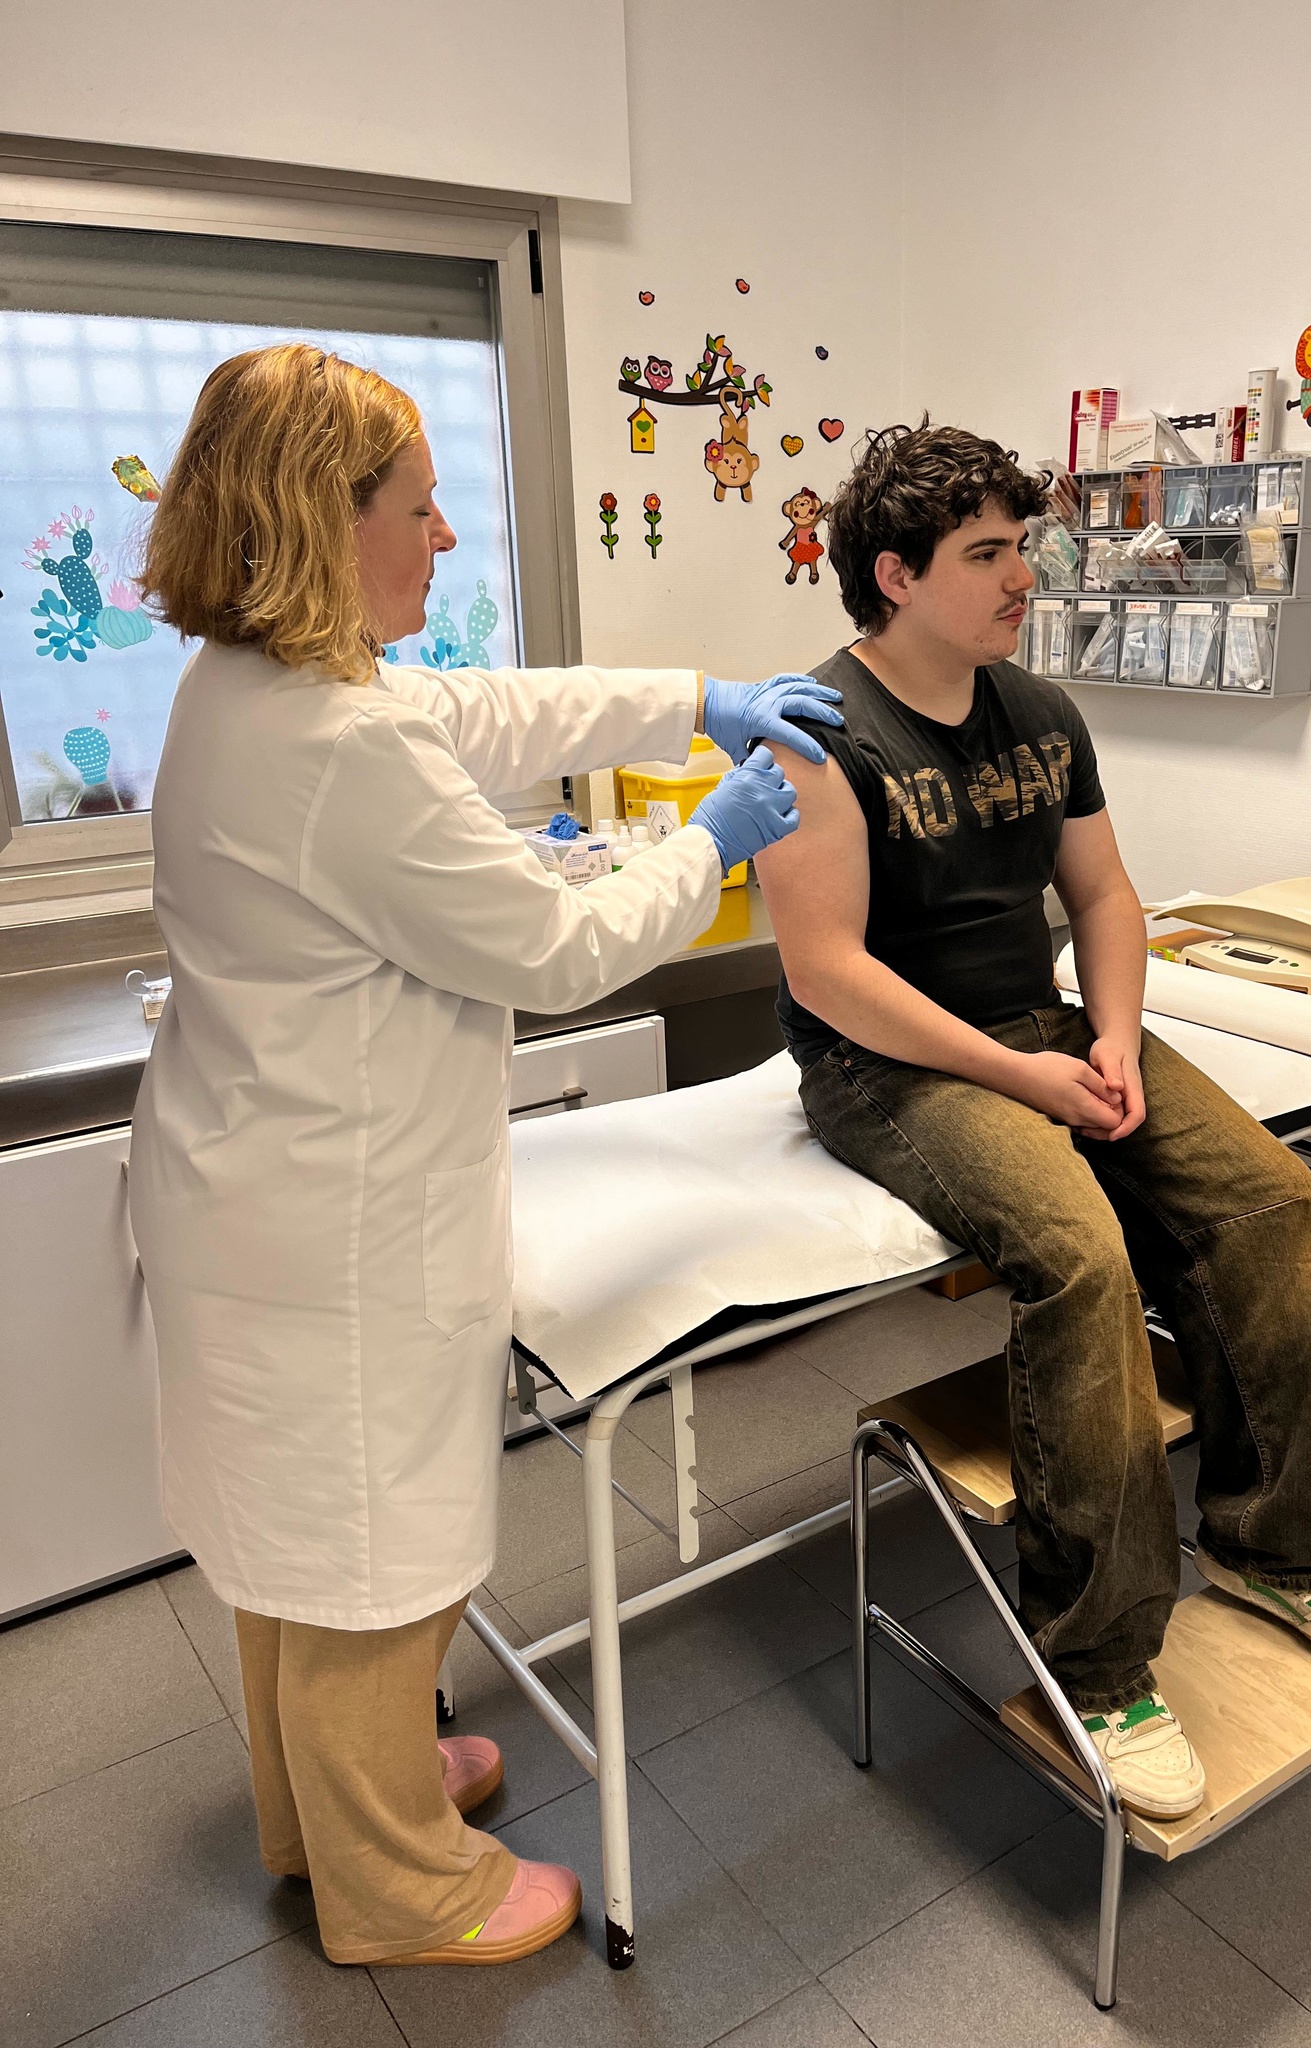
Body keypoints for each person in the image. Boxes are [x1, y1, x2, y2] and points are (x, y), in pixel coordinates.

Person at [128, 342, 841, 1967]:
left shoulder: (251, 684)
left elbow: (499, 709)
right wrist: (710, 839)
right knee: (377, 1562)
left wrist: (697, 697)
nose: (443, 537)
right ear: (321, 521)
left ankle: (324, 1808)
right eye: (419, 507)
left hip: (253, 1185)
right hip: (338, 1229)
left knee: (295, 1548)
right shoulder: (340, 746)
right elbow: (558, 948)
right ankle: (400, 1888)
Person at [754, 421, 1311, 1821]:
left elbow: (1107, 897)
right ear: (897, 575)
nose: (1024, 578)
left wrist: (1111, 1035)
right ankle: (1101, 1663)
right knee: (1082, 1257)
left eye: (1025, 548)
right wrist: (1028, 1083)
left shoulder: (1040, 712)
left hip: (1043, 1025)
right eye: (988, 554)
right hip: (886, 1063)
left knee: (1267, 1196)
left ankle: (1283, 1549)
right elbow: (828, 973)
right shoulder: (816, 733)